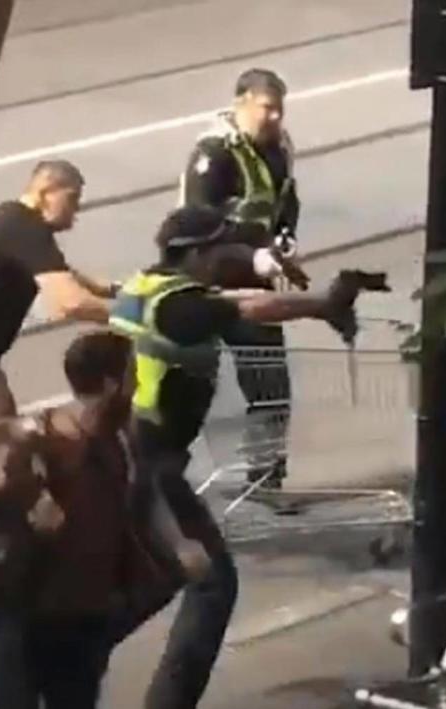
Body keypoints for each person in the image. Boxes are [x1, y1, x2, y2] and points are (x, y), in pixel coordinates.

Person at [108, 205, 386, 709]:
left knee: (169, 572)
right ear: (194, 253)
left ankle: (80, 650)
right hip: (151, 460)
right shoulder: (180, 308)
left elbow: (229, 300)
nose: (228, 256)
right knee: (214, 580)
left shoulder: (146, 286)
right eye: (219, 249)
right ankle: (161, 707)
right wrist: (320, 304)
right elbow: (244, 312)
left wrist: (305, 297)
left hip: (126, 451)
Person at [0, 331, 170, 709]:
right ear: (109, 383)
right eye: (132, 375)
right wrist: (34, 496)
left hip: (81, 616)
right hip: (27, 616)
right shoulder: (49, 438)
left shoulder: (117, 439)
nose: (137, 385)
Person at [179, 67, 306, 489]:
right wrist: (254, 255)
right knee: (186, 390)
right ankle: (163, 479)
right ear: (241, 103)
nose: (273, 118)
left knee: (271, 385)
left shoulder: (278, 148)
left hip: (255, 286)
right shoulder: (215, 154)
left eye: (279, 110)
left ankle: (265, 480)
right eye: (265, 108)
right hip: (206, 284)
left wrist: (284, 240)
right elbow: (198, 223)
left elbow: (285, 201)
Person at [0, 160, 117, 488]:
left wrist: (112, 289)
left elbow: (62, 272)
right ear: (45, 191)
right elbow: (69, 301)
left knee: (11, 452)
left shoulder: (12, 220)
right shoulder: (25, 226)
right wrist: (129, 319)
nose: (75, 212)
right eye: (72, 198)